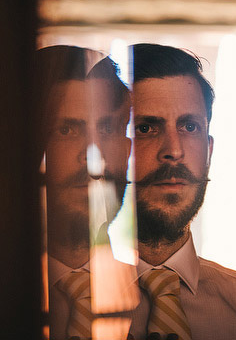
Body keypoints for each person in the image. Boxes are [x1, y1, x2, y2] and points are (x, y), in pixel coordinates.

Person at [128, 43, 236, 340]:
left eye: (190, 127)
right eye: (145, 128)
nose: (174, 151)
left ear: (209, 150)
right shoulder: (51, 310)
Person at [38, 46, 134, 339]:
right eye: (67, 130)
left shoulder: (161, 304)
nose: (94, 157)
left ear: (129, 148)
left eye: (107, 128)